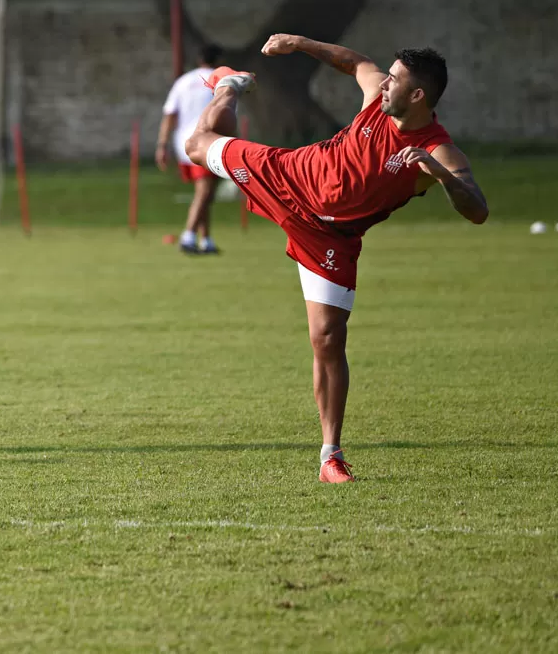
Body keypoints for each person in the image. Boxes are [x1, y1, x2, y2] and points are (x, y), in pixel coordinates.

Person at [183, 35, 488, 483]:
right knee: (198, 144)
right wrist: (298, 42)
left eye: (395, 81)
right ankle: (228, 85)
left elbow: (477, 210)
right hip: (290, 176)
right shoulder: (375, 98)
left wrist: (439, 174)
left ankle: (330, 457)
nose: (384, 84)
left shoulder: (438, 150)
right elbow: (356, 61)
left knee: (327, 338)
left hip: (330, 238)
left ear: (418, 95)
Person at [156, 43, 225, 254]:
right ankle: (188, 236)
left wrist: (162, 145)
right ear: (218, 61)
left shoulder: (183, 81)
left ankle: (206, 240)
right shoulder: (220, 80)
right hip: (206, 141)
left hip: (182, 143)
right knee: (205, 192)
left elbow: (169, 114)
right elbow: (224, 114)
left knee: (203, 192)